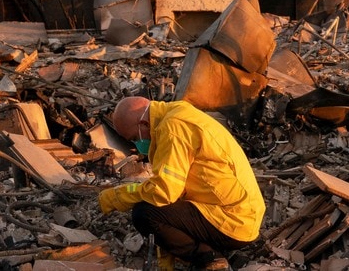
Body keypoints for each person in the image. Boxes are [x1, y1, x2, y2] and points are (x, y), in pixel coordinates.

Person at [98, 96, 264, 271]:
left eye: (134, 138)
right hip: (240, 214)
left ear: (144, 124)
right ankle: (212, 249)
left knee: (144, 214)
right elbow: (174, 191)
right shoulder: (177, 115)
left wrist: (118, 196)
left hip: (234, 221)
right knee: (152, 206)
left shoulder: (172, 129)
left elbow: (163, 192)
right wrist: (166, 252)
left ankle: (209, 258)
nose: (136, 144)